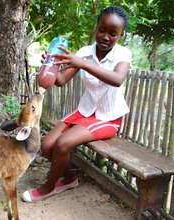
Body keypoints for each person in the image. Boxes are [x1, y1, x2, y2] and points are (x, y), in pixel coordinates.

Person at [22, 6, 132, 202]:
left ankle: (48, 187)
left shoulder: (122, 54)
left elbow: (117, 79)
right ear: (96, 27)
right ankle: (70, 177)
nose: (106, 36)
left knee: (63, 144)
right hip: (85, 111)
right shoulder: (84, 52)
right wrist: (51, 66)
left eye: (113, 33)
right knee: (47, 146)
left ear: (121, 35)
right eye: (102, 30)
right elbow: (61, 81)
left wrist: (82, 63)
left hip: (107, 117)